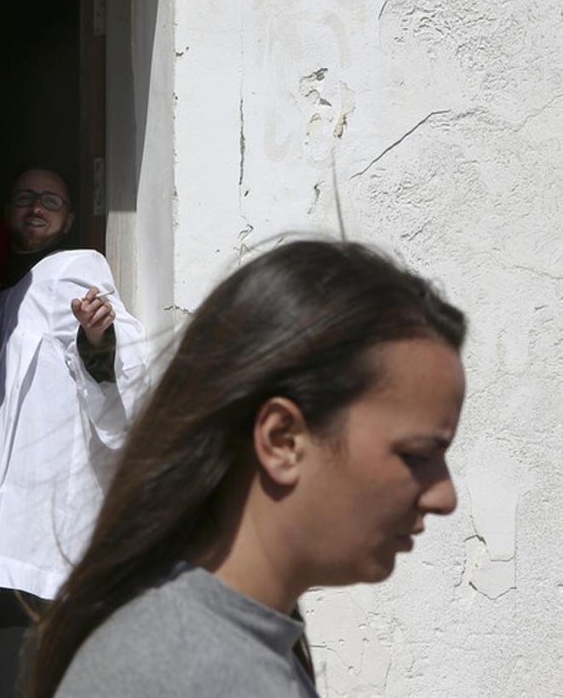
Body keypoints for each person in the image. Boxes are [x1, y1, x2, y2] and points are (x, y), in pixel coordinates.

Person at [27, 240, 467, 698]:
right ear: (282, 440)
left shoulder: (231, 650)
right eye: (417, 455)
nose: (445, 496)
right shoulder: (178, 669)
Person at [0, 169, 150, 697]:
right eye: (25, 197)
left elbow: (123, 358)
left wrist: (98, 338)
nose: (37, 206)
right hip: (3, 529)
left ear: (70, 219)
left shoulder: (74, 269)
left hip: (42, 531)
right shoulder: (2, 292)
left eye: (51, 200)